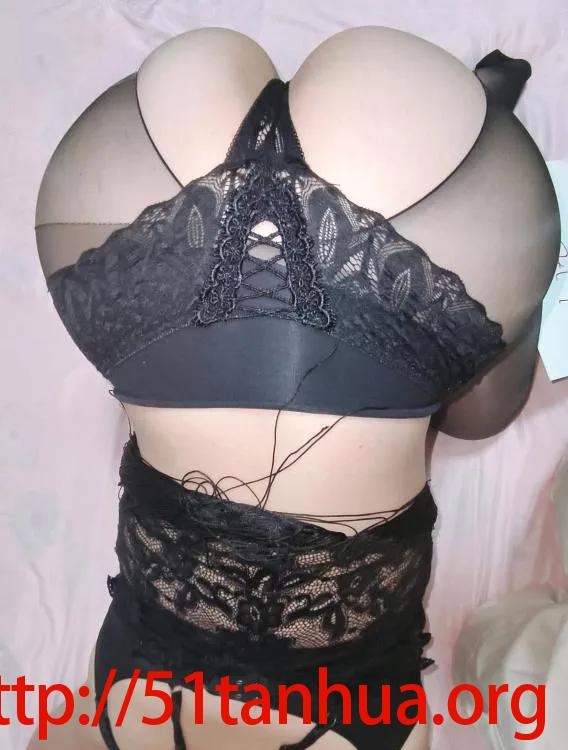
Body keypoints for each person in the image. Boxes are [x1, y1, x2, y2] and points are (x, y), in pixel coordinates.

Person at [31, 26, 559, 750]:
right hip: (154, 156)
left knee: (475, 393)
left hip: (400, 182)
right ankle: (469, 152)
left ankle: (475, 146)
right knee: (471, 396)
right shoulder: (67, 738)